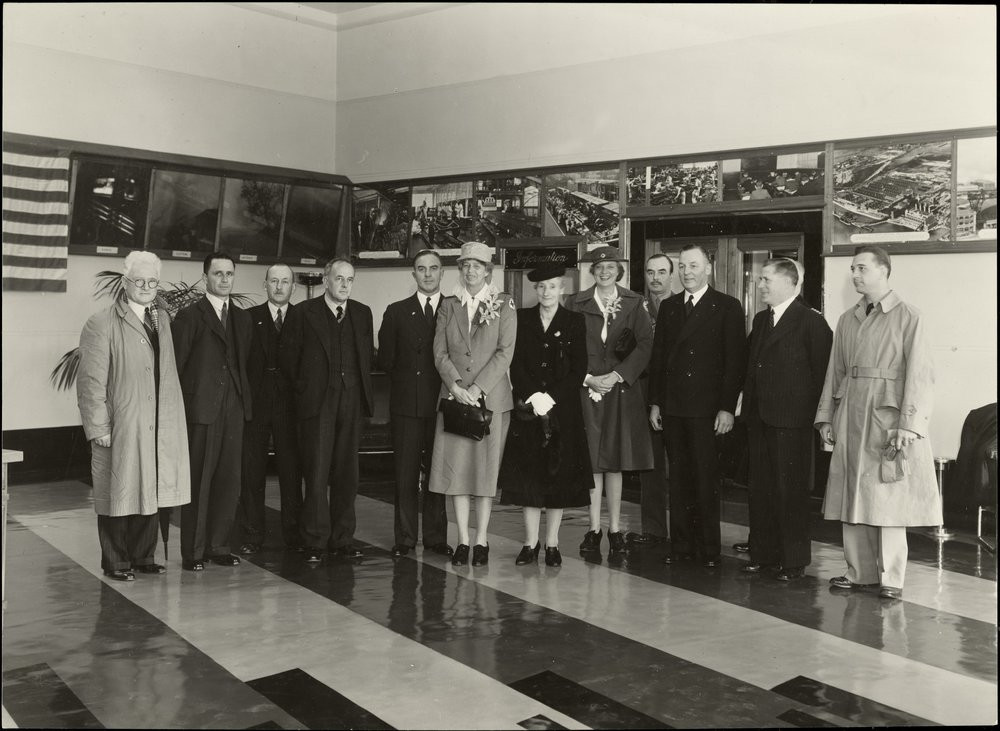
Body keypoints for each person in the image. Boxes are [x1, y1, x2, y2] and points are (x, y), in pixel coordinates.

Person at [815, 246, 941, 600]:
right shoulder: (846, 319)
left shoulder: (909, 316)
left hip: (886, 419)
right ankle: (860, 573)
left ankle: (892, 579)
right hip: (852, 414)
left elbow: (921, 375)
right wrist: (826, 416)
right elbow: (834, 373)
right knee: (852, 496)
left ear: (884, 270)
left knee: (888, 500)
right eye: (852, 269)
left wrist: (908, 424)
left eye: (862, 268)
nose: (855, 275)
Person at [76, 252, 190, 581]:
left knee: (149, 490)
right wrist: (99, 426)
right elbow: (90, 381)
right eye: (139, 281)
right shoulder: (102, 322)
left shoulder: (162, 320)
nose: (145, 286)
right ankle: (117, 561)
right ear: (126, 283)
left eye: (152, 281)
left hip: (155, 423)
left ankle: (143, 557)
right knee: (117, 492)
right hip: (121, 423)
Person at [649, 244, 746, 568]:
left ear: (708, 268)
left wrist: (727, 408)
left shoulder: (728, 306)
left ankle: (707, 549)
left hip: (708, 410)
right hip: (674, 408)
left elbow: (735, 363)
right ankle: (681, 546)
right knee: (678, 480)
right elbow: (660, 358)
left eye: (693, 265)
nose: (687, 272)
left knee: (706, 481)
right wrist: (655, 402)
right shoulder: (670, 307)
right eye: (682, 266)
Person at [741, 259, 832, 580]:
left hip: (793, 423)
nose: (760, 284)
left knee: (790, 492)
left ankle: (793, 561)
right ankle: (763, 554)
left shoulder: (811, 322)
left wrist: (821, 421)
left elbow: (824, 376)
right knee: (761, 489)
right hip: (760, 420)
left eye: (766, 279)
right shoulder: (762, 319)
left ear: (789, 282)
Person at [280, 258, 375, 563]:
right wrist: (306, 393)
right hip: (317, 404)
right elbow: (289, 360)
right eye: (339, 278)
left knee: (348, 474)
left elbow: (365, 360)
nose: (344, 284)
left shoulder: (362, 313)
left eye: (349, 279)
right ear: (326, 279)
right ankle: (315, 540)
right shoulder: (303, 313)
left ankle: (343, 539)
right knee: (317, 473)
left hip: (352, 403)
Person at [428, 241, 516, 567]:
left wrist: (478, 387)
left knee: (484, 476)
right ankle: (463, 540)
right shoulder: (448, 306)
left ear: (488, 270)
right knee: (457, 474)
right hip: (455, 400)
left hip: (490, 401)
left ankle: (482, 540)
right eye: (465, 264)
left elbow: (505, 352)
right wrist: (454, 385)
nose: (470, 270)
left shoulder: (504, 304)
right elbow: (439, 352)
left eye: (477, 265)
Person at [498, 265, 591, 567]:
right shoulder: (522, 319)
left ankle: (552, 543)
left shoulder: (575, 321)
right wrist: (533, 396)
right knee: (530, 480)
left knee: (558, 479)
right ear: (535, 291)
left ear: (562, 288)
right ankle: (530, 543)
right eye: (541, 288)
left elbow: (578, 369)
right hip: (529, 410)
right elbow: (515, 364)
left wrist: (551, 397)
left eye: (552, 287)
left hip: (562, 411)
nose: (546, 292)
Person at [565, 246, 654, 558]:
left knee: (614, 462)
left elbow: (644, 345)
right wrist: (588, 378)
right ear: (592, 271)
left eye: (611, 267)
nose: (604, 271)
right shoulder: (575, 302)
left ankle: (615, 529)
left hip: (620, 392)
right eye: (599, 266)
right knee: (591, 462)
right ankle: (593, 528)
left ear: (620, 271)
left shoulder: (633, 302)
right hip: (585, 390)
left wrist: (617, 375)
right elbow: (567, 347)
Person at [172, 252, 253, 571]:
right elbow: (177, 366)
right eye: (217, 273)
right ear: (205, 276)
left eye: (229, 274)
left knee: (228, 480)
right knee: (199, 481)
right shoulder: (190, 316)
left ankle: (219, 546)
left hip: (234, 408)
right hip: (202, 410)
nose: (224, 279)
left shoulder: (243, 319)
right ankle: (193, 552)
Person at [377, 250, 453, 559]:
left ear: (441, 273)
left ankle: (436, 538)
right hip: (407, 404)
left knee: (438, 474)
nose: (428, 274)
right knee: (405, 474)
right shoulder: (396, 312)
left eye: (433, 268)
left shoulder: (455, 309)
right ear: (413, 274)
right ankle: (405, 538)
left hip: (441, 405)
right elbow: (386, 360)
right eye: (421, 269)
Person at [235, 264, 303, 555]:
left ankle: (294, 534)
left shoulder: (304, 318)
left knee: (291, 471)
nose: (279, 286)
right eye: (274, 281)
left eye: (284, 282)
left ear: (293, 287)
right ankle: (252, 535)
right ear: (265, 284)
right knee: (252, 471)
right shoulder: (250, 318)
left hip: (292, 406)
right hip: (257, 404)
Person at [628, 252, 674, 548]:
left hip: (678, 393)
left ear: (673, 275)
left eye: (661, 272)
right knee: (651, 463)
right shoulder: (636, 307)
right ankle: (655, 529)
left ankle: (685, 529)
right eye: (650, 272)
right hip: (645, 390)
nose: (655, 278)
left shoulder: (683, 305)